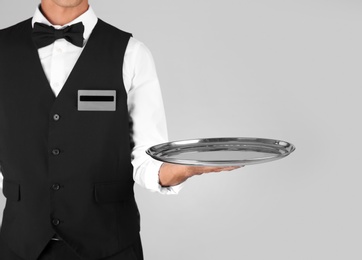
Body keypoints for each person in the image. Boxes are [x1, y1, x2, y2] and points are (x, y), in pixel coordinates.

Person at [0, 0, 238, 259]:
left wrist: (178, 170)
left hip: (110, 248)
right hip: (19, 247)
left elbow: (146, 156)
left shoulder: (131, 53)